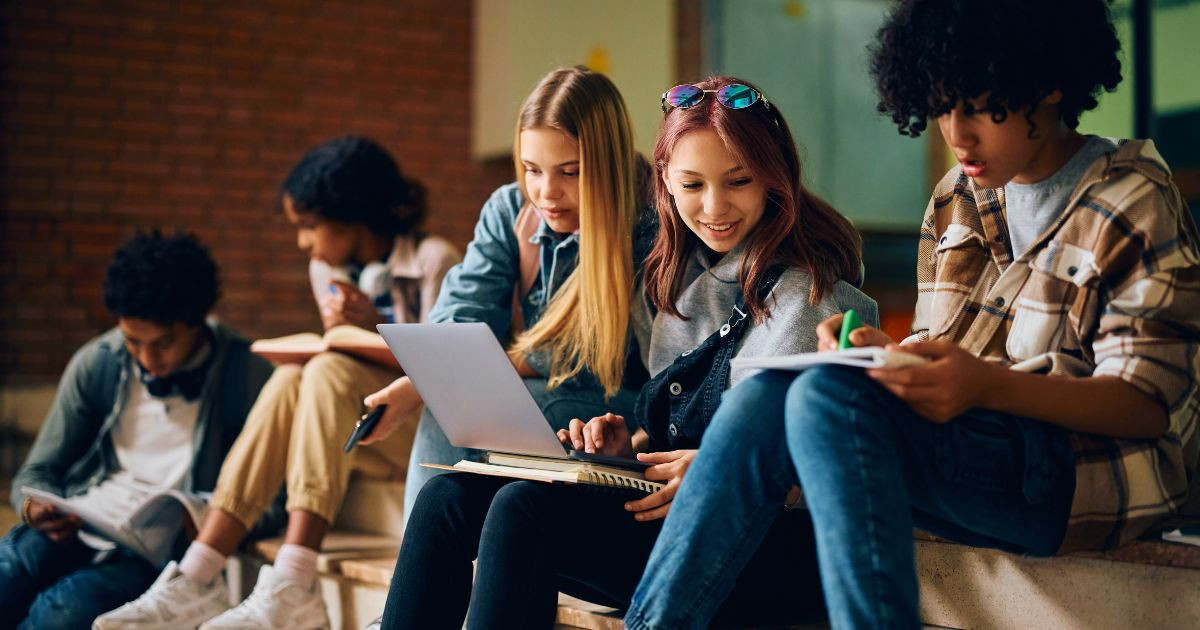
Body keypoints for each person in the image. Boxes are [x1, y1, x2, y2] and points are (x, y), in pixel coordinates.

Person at [622, 2, 1200, 629]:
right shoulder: (957, 198)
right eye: (943, 107)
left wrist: (984, 384)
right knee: (775, 392)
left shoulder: (1131, 197)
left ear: (1049, 85)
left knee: (821, 400)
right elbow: (935, 353)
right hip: (970, 444)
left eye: (982, 107)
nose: (958, 135)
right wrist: (881, 356)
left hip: (1082, 474)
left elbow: (1148, 405)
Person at [378, 76, 877, 629]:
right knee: (447, 497)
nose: (714, 206)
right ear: (665, 182)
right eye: (692, 184)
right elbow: (671, 434)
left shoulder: (813, 296)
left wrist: (728, 473)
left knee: (525, 510)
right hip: (669, 511)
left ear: (775, 180)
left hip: (759, 543)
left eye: (737, 181)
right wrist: (624, 448)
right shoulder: (678, 278)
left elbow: (827, 468)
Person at [94, 137, 460, 630]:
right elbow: (347, 357)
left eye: (310, 227)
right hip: (365, 427)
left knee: (325, 373)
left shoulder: (436, 261)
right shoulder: (325, 270)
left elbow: (451, 373)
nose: (303, 243)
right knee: (291, 376)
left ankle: (294, 578)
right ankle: (200, 573)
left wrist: (377, 322)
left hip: (424, 433)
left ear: (352, 215)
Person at [361, 66, 658, 523]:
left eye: (569, 172)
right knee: (453, 401)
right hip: (545, 391)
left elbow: (582, 357)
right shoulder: (510, 208)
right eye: (531, 169)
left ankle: (440, 567)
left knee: (468, 404)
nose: (545, 192)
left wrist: (443, 377)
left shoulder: (650, 221)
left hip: (621, 412)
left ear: (608, 162)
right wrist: (421, 382)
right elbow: (457, 322)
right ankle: (433, 566)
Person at [0, 232, 273, 630]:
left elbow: (275, 500)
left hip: (155, 552)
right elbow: (36, 472)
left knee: (60, 613)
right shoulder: (99, 362)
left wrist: (206, 516)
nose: (147, 360)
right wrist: (36, 507)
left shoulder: (247, 375)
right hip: (77, 526)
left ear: (198, 322)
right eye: (132, 341)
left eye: (163, 344)